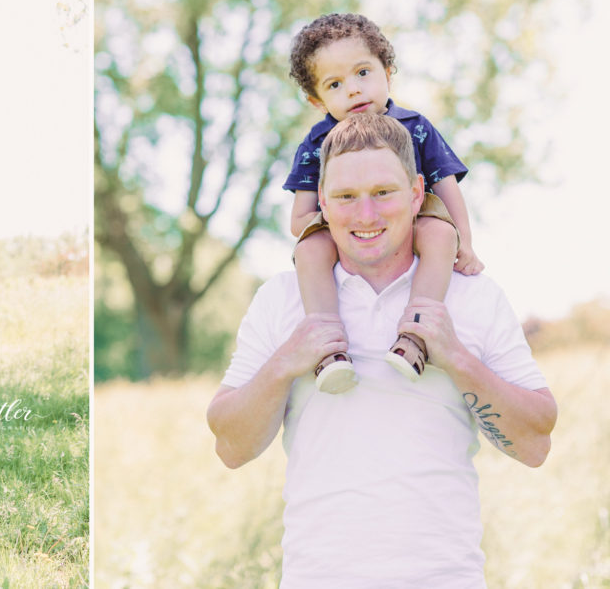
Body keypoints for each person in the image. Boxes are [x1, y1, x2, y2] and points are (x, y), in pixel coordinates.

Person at [207, 113, 556, 588]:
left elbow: (535, 443)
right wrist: (285, 363)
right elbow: (230, 446)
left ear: (416, 193)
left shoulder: (473, 295)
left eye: (383, 193)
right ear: (322, 205)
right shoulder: (282, 299)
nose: (365, 216)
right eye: (346, 197)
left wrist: (456, 357)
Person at [284, 13, 483, 393]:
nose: (354, 90)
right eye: (335, 84)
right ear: (316, 99)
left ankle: (416, 336)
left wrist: (465, 241)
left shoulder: (416, 125)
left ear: (387, 73)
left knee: (441, 235)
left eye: (363, 73)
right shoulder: (316, 143)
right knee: (309, 250)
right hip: (340, 224)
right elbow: (299, 219)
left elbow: (446, 186)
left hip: (414, 216)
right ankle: (328, 351)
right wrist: (344, 214)